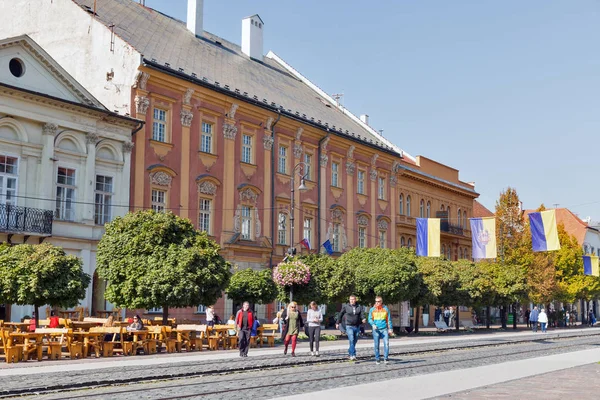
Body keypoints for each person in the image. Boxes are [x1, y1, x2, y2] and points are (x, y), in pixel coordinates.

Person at [336, 295, 366, 361]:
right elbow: (340, 314)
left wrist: (363, 318)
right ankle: (353, 355)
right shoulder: (346, 307)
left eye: (353, 299)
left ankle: (350, 352)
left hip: (357, 326)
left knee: (354, 341)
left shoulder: (359, 307)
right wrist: (337, 323)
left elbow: (362, 314)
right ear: (349, 300)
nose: (352, 301)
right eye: (350, 299)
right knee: (351, 339)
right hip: (349, 326)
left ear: (355, 300)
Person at [368, 296, 393, 365]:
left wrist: (390, 328)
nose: (377, 303)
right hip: (376, 330)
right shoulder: (372, 310)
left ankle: (386, 358)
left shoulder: (385, 309)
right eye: (376, 301)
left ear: (381, 302)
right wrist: (373, 324)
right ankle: (377, 359)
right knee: (376, 345)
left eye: (379, 301)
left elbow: (389, 320)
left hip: (384, 329)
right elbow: (370, 319)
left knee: (386, 344)